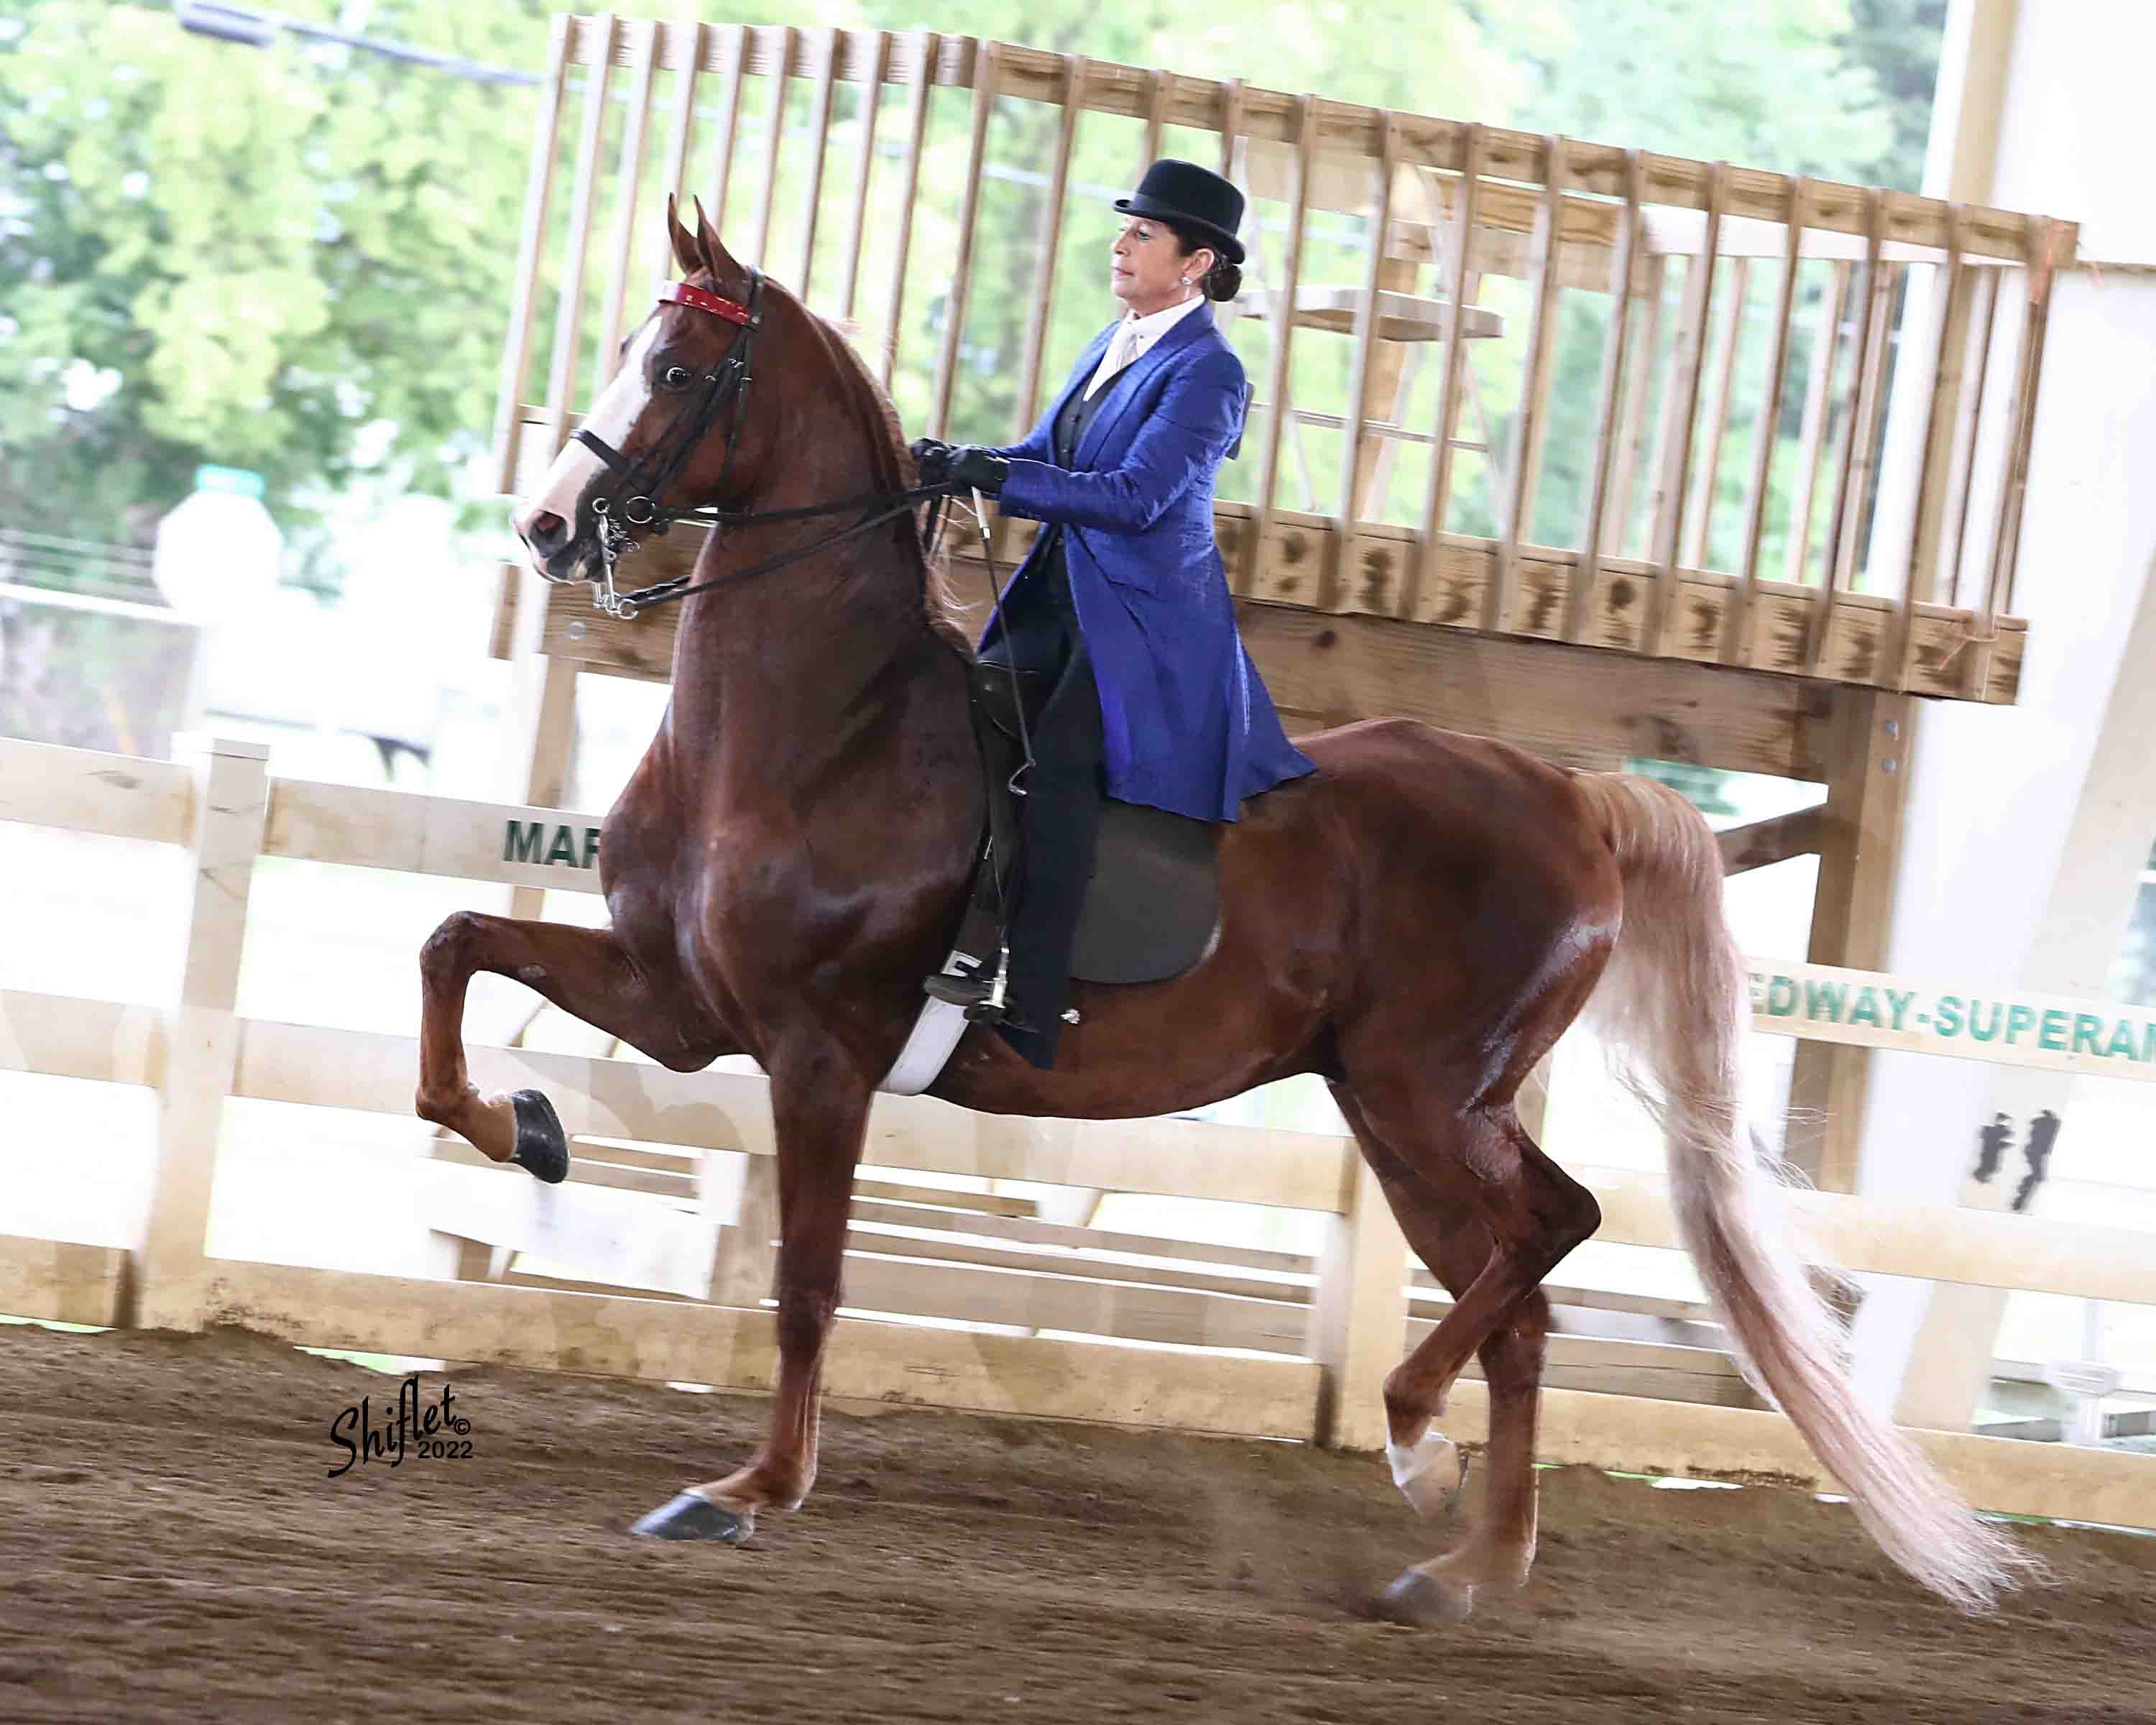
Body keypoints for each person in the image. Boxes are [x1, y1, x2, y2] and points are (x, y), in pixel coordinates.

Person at [911, 158, 1317, 1067]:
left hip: (1143, 625)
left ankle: (1035, 999)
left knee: (1058, 775)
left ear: (1197, 264)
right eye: (1125, 228)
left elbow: (1133, 496)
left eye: (1143, 233)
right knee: (969, 726)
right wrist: (966, 458)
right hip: (1062, 590)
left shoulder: (1211, 374)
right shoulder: (1117, 339)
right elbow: (1051, 450)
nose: (1121, 243)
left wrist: (1006, 479)